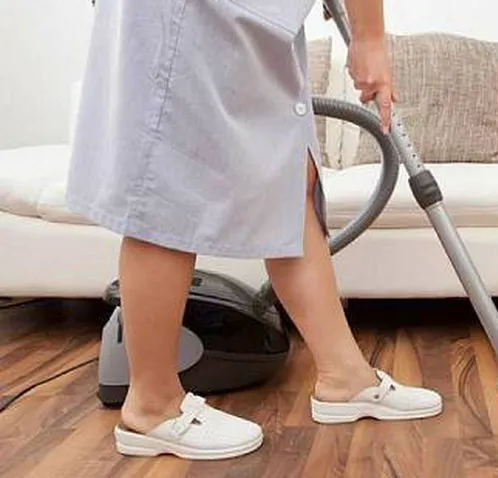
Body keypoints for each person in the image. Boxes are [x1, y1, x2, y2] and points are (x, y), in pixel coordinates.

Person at [67, 0, 442, 460]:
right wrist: (370, 39)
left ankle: (344, 376)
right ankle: (152, 404)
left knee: (291, 176)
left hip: (249, 19)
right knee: (167, 181)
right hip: (187, 15)